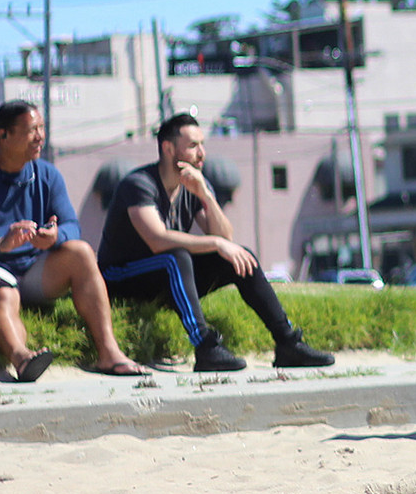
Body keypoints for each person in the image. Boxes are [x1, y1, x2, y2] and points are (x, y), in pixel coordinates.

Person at [96, 113, 333, 371]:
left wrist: (205, 194)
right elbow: (157, 240)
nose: (202, 153)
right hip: (120, 278)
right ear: (168, 148)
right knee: (176, 256)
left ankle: (288, 343)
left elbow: (225, 238)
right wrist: (217, 244)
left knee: (241, 256)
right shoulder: (138, 184)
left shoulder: (194, 185)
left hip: (166, 274)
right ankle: (206, 347)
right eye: (193, 146)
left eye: (202, 144)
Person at [0, 100, 148, 379]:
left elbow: (72, 226)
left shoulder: (47, 175)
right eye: (31, 130)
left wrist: (54, 238)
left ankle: (109, 353)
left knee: (81, 252)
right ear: (3, 135)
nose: (40, 136)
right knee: (4, 293)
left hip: (33, 268)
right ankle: (22, 358)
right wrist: (0, 244)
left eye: (42, 128)